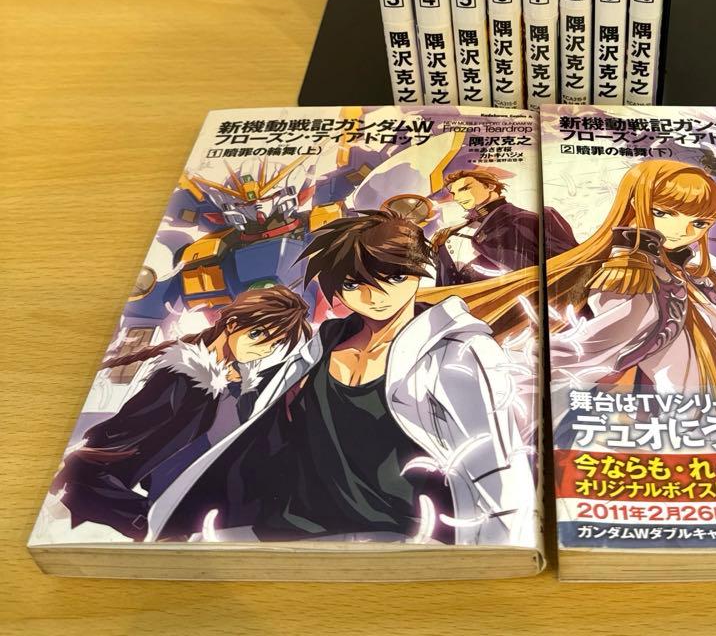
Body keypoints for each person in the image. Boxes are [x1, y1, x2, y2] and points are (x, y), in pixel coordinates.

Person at [148, 211, 535, 546]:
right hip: (285, 530)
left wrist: (497, 549)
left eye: (394, 276)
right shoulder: (319, 348)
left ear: (419, 271)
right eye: (353, 284)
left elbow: (493, 464)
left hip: (403, 537)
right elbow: (263, 428)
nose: (374, 295)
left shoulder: (458, 352)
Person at [54, 285, 310, 541]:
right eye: (257, 334)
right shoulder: (180, 383)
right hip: (187, 517)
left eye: (275, 344)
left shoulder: (243, 387)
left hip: (233, 511)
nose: (263, 349)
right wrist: (153, 524)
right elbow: (99, 462)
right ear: (232, 324)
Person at [542, 159, 716, 397]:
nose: (683, 230)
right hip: (668, 401)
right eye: (663, 213)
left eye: (699, 223)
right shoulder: (629, 272)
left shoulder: (687, 275)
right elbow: (599, 344)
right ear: (635, 204)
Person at [432, 167, 577, 285]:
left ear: (490, 186)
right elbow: (449, 286)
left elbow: (569, 264)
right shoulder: (453, 234)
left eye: (465, 189)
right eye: (454, 193)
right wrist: (441, 247)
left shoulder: (532, 218)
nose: (457, 198)